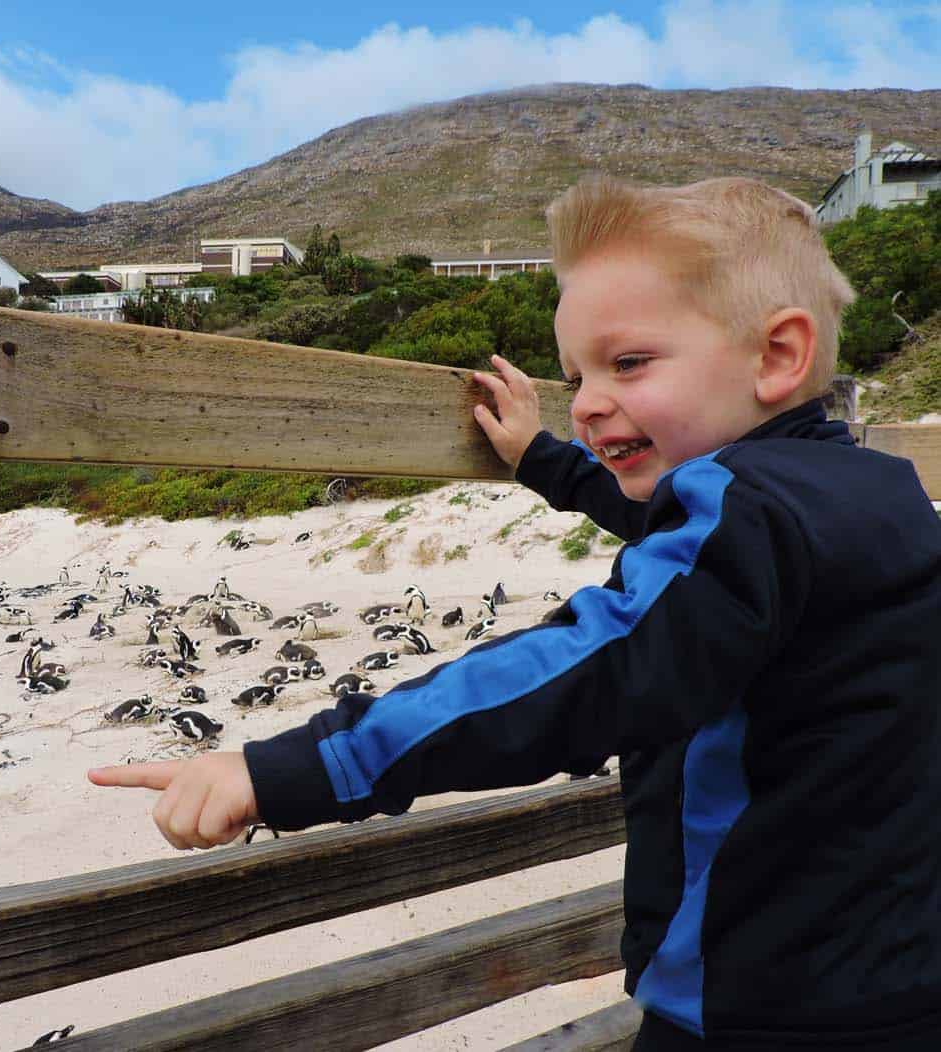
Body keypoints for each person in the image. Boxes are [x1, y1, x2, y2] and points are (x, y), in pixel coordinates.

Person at [89, 176, 941, 1050]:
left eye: (629, 363)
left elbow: (583, 669)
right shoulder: (871, 491)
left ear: (775, 357)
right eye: (577, 375)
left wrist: (306, 764)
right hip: (889, 972)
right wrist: (548, 460)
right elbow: (684, 530)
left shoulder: (750, 518)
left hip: (759, 1005)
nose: (586, 401)